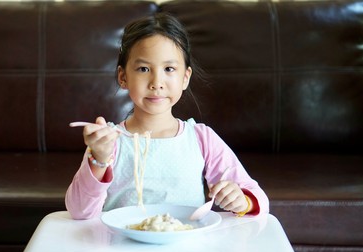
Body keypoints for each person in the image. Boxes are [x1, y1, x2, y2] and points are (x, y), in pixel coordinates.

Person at [65, 13, 269, 220]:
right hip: (122, 248)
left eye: (169, 69)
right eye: (144, 69)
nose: (157, 82)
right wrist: (99, 159)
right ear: (123, 77)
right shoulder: (109, 142)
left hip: (186, 248)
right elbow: (79, 212)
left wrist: (243, 200)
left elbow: (259, 199)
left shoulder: (201, 139)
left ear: (185, 78)